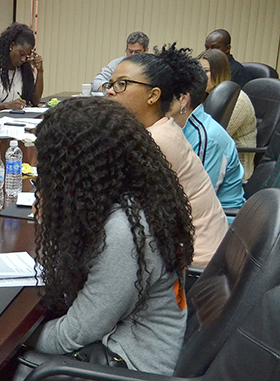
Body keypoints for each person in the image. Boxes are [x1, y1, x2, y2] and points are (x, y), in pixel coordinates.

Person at [29, 97, 193, 375]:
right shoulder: (125, 200)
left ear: (76, 171)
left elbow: (74, 333)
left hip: (127, 365)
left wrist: (17, 340)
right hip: (113, 343)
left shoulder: (124, 232)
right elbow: (62, 276)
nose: (45, 178)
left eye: (50, 169)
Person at [104, 43, 228, 267]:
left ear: (153, 95)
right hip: (185, 252)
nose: (110, 91)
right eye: (111, 84)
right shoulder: (163, 128)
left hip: (193, 265)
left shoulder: (156, 140)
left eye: (122, 84)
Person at [165, 54, 245, 212]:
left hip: (220, 221)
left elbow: (198, 199)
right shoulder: (176, 125)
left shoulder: (207, 138)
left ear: (183, 100)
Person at [199, 48, 257, 180]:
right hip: (212, 163)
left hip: (235, 170)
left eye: (206, 71)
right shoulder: (205, 96)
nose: (200, 76)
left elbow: (211, 140)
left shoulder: (237, 100)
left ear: (220, 72)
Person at [0, 23, 43, 112]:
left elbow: (35, 101)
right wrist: (7, 105)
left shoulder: (24, 71)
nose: (23, 59)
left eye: (27, 56)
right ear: (11, 46)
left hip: (17, 121)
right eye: (21, 54)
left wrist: (40, 71)